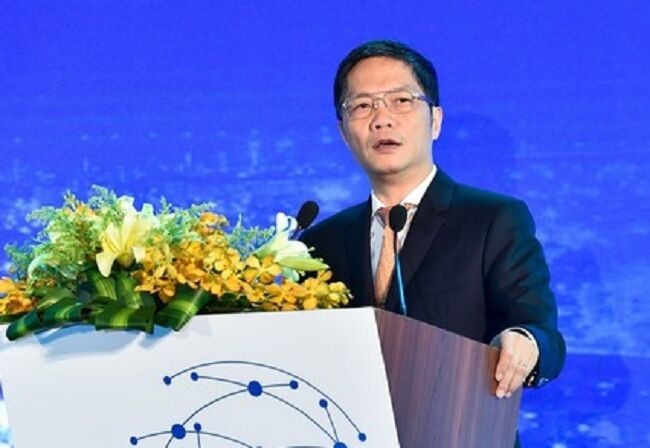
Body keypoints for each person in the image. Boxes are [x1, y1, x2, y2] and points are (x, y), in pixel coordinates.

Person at [301, 40, 565, 401]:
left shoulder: (493, 219)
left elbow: (542, 331)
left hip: (461, 421)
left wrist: (526, 341)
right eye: (362, 106)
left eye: (401, 100)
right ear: (344, 134)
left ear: (435, 121)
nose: (382, 119)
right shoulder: (320, 243)